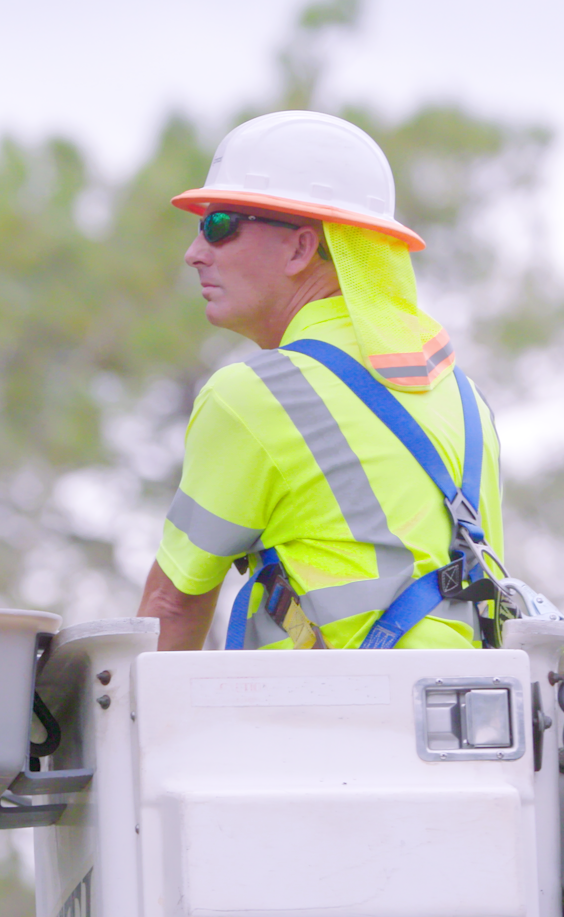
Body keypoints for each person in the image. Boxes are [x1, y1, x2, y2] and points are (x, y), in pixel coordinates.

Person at [136, 110, 506, 652]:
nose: (195, 253)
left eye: (220, 226)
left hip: (328, 726)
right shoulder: (465, 397)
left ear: (301, 248)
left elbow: (171, 608)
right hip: (482, 722)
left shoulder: (253, 395)